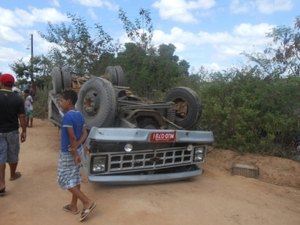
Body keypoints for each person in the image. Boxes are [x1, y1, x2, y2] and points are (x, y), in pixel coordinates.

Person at [57, 89, 96, 222]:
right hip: (77, 149)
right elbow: (84, 133)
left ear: (69, 102)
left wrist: (74, 151)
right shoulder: (79, 114)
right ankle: (73, 205)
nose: (60, 103)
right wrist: (78, 146)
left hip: (68, 152)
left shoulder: (67, 116)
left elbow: (71, 136)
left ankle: (87, 202)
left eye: (61, 100)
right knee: (74, 177)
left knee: (63, 178)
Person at [0, 74, 27, 196]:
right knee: (13, 154)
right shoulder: (18, 98)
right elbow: (21, 117)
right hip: (12, 132)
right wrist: (24, 131)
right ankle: (12, 174)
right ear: (12, 84)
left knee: (1, 156)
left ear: (1, 83)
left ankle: (1, 183)